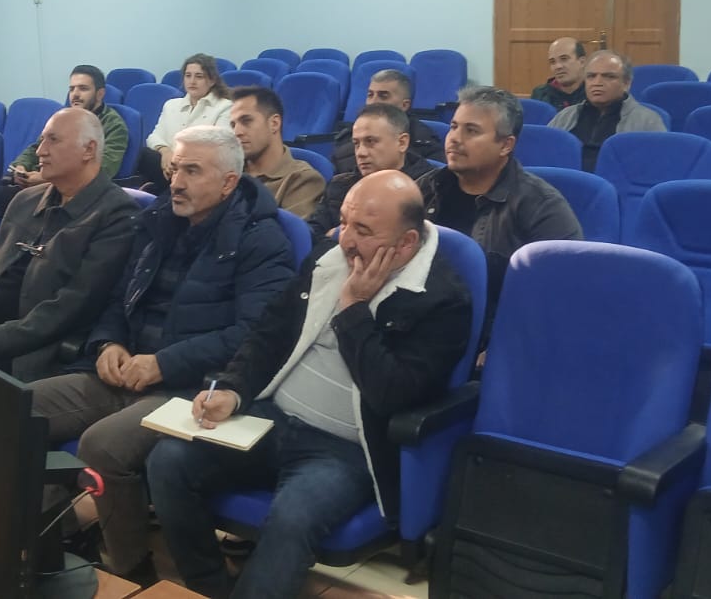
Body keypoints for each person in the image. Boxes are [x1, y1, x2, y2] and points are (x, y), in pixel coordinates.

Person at [147, 171, 473, 599]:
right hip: (271, 419)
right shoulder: (328, 257)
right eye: (345, 222)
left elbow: (393, 394)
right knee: (167, 461)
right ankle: (209, 587)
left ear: (406, 243)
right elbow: (269, 333)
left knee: (292, 517)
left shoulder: (443, 300)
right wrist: (232, 389)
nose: (346, 240)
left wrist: (354, 310)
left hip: (345, 449)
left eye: (363, 231)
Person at [30, 125, 295, 580]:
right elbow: (119, 299)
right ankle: (57, 535)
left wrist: (164, 363)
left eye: (192, 171)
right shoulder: (158, 221)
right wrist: (108, 343)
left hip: (190, 387)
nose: (176, 183)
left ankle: (131, 572)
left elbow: (254, 335)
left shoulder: (261, 240)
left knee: (103, 446)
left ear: (229, 182)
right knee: (18, 409)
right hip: (126, 371)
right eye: (174, 170)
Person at [0, 108, 139, 382]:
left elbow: (77, 302)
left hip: (35, 349)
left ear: (88, 150)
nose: (40, 151)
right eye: (41, 140)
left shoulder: (117, 214)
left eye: (53, 140)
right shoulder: (25, 200)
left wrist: (2, 340)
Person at [419, 86, 581, 352]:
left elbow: (560, 292)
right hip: (420, 325)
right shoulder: (426, 188)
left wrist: (501, 342)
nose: (455, 139)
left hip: (493, 337)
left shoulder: (542, 205)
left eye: (471, 131)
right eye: (454, 127)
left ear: (506, 145)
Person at [309, 103, 437, 238]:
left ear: (402, 143)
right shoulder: (340, 185)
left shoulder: (431, 189)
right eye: (356, 143)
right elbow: (314, 235)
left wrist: (336, 234)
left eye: (370, 141)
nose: (360, 153)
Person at [548, 50, 665, 172]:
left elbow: (656, 168)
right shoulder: (565, 116)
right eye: (591, 76)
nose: (597, 83)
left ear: (626, 83)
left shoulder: (648, 121)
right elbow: (546, 153)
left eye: (609, 77)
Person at [12, 65, 129, 185]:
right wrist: (21, 166)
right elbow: (36, 147)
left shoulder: (114, 125)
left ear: (100, 94)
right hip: (41, 179)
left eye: (83, 89)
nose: (75, 94)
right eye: (72, 89)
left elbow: (104, 168)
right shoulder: (63, 119)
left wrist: (47, 178)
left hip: (75, 187)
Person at [139, 53, 233, 190]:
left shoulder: (224, 106)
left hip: (198, 167)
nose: (192, 81)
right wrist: (165, 152)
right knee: (144, 155)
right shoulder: (171, 105)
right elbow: (154, 137)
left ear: (212, 80)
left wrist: (179, 163)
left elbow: (219, 147)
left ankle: (163, 191)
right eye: (188, 76)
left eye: (199, 76)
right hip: (168, 165)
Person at [230, 87, 324, 219]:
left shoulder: (302, 179)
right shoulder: (229, 173)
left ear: (274, 123)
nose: (237, 132)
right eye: (233, 125)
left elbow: (288, 231)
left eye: (246, 121)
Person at [330, 69, 445, 176]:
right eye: (370, 95)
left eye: (383, 96)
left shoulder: (423, 140)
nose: (373, 102)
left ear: (404, 105)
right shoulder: (346, 140)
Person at [530, 37, 588, 110]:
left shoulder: (593, 92)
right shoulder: (540, 95)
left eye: (564, 59)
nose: (558, 66)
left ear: (582, 62)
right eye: (552, 62)